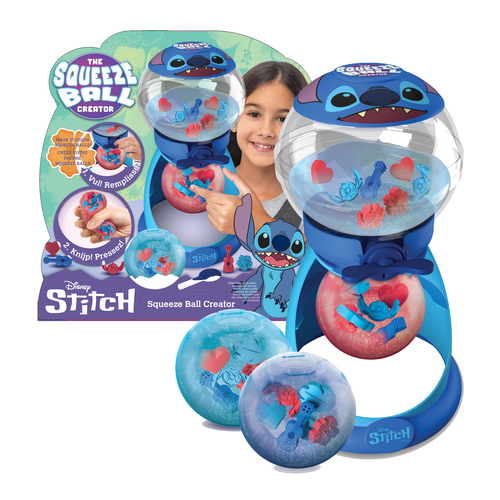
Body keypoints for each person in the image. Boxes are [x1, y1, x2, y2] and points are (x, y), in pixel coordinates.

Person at [190, 61, 307, 235]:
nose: (266, 131)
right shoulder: (201, 186)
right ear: (233, 120)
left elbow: (308, 252)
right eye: (254, 114)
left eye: (282, 119)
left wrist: (255, 224)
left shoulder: (309, 203)